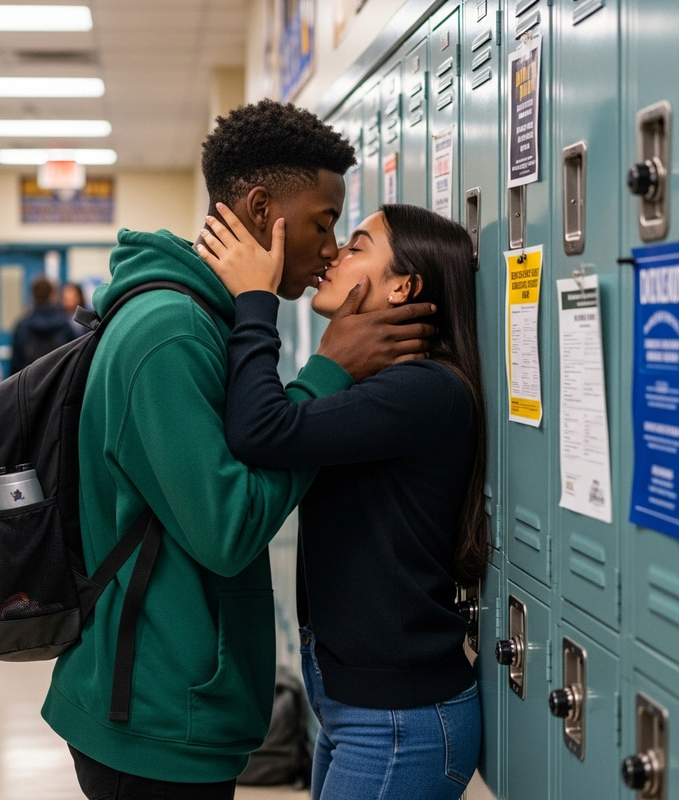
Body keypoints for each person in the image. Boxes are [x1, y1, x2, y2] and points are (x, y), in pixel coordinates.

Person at [40, 99, 436, 800]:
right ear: (261, 210)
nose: (330, 249)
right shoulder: (171, 334)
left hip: (178, 701)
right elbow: (228, 527)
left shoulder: (207, 322)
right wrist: (329, 376)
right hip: (154, 715)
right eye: (323, 222)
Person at [197, 202, 488, 800]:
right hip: (359, 706)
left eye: (356, 245)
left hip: (398, 719)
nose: (334, 255)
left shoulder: (422, 390)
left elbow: (260, 431)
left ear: (403, 285)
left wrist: (257, 300)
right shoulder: (385, 385)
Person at [9, 275, 77, 374]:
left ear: (33, 296)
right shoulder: (65, 325)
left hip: (29, 384)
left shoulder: (22, 326)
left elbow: (16, 364)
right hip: (59, 384)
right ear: (53, 296)